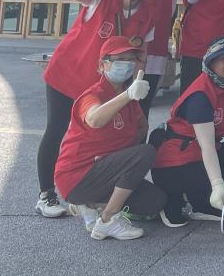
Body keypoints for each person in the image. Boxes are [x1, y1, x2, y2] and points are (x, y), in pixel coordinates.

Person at [37, 0, 164, 219]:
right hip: (68, 74)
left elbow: (141, 53)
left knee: (112, 135)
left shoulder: (149, 16)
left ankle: (94, 193)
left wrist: (135, 86)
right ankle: (47, 194)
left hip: (104, 85)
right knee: (56, 129)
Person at [54, 36, 164, 240]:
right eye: (120, 59)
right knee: (145, 153)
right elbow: (95, 119)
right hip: (78, 175)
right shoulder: (93, 94)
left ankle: (89, 206)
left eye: (131, 59)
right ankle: (107, 220)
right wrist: (128, 95)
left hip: (105, 172)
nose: (127, 64)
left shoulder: (132, 99)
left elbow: (141, 130)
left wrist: (115, 158)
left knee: (155, 201)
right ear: (102, 65)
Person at [151, 36, 224, 228]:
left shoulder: (223, 85)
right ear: (211, 62)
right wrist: (217, 184)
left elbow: (221, 125)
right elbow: (207, 145)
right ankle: (174, 195)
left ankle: (200, 202)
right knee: (176, 217)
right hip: (176, 162)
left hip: (196, 155)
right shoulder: (201, 95)